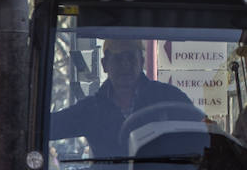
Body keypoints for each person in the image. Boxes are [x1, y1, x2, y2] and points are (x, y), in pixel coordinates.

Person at [49, 38, 196, 158]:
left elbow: (203, 131)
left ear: (142, 63)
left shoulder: (169, 98)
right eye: (118, 59)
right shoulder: (91, 110)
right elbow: (46, 128)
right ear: (105, 64)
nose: (125, 65)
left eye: (131, 58)